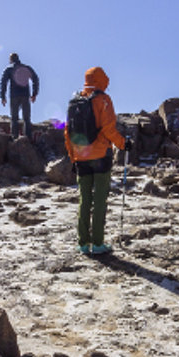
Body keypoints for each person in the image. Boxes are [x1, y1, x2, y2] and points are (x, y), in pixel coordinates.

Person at [64, 67, 127, 255]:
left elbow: (67, 133)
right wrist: (123, 144)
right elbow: (108, 129)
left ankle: (83, 243)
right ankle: (98, 243)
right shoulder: (103, 100)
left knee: (84, 200)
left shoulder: (75, 102)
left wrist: (73, 158)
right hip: (100, 156)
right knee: (99, 199)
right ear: (102, 80)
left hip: (80, 157)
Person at [0, 54, 40, 137]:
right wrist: (34, 94)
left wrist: (3, 96)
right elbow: (35, 79)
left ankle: (15, 137)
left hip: (14, 95)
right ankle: (28, 137)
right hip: (25, 95)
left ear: (11, 60)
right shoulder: (26, 68)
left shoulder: (9, 69)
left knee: (14, 118)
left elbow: (3, 82)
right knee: (27, 118)